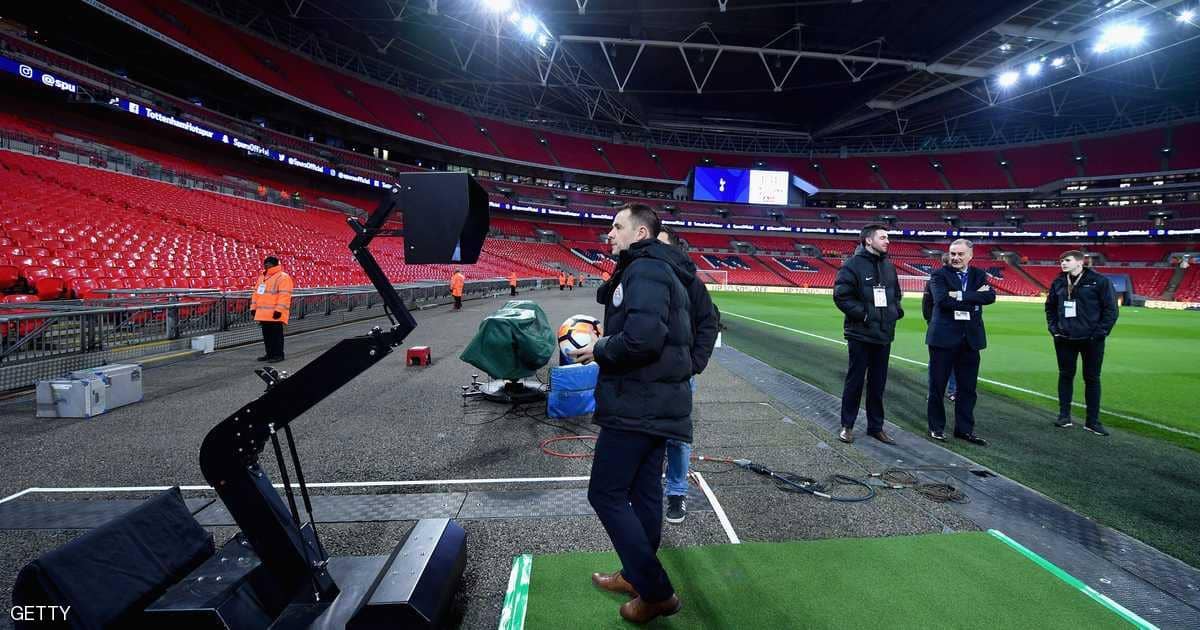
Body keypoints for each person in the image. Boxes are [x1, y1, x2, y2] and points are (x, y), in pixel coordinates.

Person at [570, 203, 692, 624]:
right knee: (644, 494)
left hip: (637, 402)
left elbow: (643, 339)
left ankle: (656, 592)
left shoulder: (646, 270)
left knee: (604, 493)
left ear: (641, 233)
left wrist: (600, 348)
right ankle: (634, 576)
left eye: (617, 226)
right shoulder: (661, 269)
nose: (609, 233)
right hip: (656, 401)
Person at [657, 226, 719, 524]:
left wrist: (694, 363)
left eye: (659, 243)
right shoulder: (638, 276)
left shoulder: (690, 283)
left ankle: (676, 492)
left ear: (674, 249)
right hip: (642, 374)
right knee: (644, 433)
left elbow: (710, 321)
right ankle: (647, 484)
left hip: (679, 375)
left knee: (677, 437)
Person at [833, 225, 903, 445]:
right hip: (860, 334)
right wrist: (865, 315)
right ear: (868, 241)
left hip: (884, 334)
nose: (887, 241)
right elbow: (841, 296)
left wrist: (895, 312)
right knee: (855, 381)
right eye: (883, 237)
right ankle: (847, 425)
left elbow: (896, 295)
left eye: (887, 237)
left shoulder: (889, 266)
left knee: (878, 384)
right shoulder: (852, 265)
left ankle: (876, 427)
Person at [925, 240, 994, 445]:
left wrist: (959, 295)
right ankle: (936, 427)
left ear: (970, 256)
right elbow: (942, 301)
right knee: (937, 387)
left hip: (970, 339)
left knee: (968, 389)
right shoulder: (939, 275)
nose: (955, 258)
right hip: (943, 338)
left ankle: (964, 430)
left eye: (960, 254)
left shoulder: (979, 274)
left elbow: (990, 297)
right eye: (953, 253)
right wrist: (974, 298)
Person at [1045, 250, 1119, 436]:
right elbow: (1050, 307)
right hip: (1064, 338)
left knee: (1092, 378)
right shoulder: (1059, 281)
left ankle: (1092, 421)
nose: (1063, 263)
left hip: (1091, 340)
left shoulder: (1099, 281)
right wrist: (1054, 329)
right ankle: (1064, 416)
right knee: (1065, 376)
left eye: (1067, 260)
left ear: (1080, 262)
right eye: (1061, 260)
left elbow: (1111, 310)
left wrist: (1099, 334)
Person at [922, 253, 957, 400]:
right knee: (937, 361)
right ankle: (936, 391)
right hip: (939, 326)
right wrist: (931, 321)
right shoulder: (935, 279)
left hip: (955, 325)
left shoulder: (958, 279)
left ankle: (951, 390)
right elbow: (927, 304)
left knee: (952, 360)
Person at [249, 256, 293, 363]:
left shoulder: (283, 277)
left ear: (275, 264)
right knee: (267, 336)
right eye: (265, 263)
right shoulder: (262, 277)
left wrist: (279, 310)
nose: (266, 265)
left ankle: (278, 355)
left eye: (269, 263)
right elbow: (256, 294)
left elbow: (284, 296)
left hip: (275, 313)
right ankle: (269, 354)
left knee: (276, 336)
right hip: (263, 314)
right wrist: (253, 308)